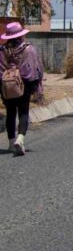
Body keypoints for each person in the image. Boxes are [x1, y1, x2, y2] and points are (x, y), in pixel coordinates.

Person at [0, 22, 43, 156]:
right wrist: (36, 86)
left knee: (10, 113)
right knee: (23, 112)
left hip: (6, 86)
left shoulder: (2, 50)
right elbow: (34, 70)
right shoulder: (28, 49)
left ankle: (11, 143)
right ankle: (20, 139)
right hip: (23, 85)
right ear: (21, 35)